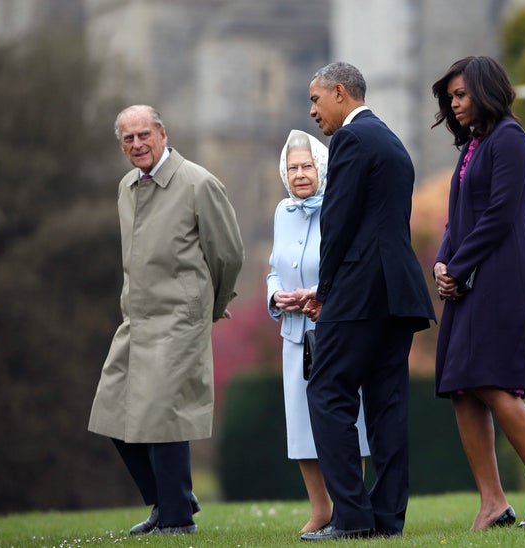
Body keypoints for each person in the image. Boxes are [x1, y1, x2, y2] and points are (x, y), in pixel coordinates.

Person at [88, 105, 244, 535]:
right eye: (128, 139)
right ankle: (171, 499)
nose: (137, 144)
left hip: (180, 318)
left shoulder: (199, 183)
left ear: (161, 133)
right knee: (112, 411)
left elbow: (228, 253)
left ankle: (176, 522)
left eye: (144, 135)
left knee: (165, 415)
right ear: (121, 144)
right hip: (135, 320)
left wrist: (211, 304)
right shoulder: (126, 186)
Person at [299, 62, 435, 541]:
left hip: (359, 292)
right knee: (387, 404)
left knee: (327, 391)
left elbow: (337, 224)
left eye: (316, 100)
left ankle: (352, 518)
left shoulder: (351, 141)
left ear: (340, 93)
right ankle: (387, 520)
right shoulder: (392, 140)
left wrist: (327, 290)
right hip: (398, 294)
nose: (313, 110)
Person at [431, 56, 525, 530]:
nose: (454, 104)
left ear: (486, 91)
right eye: (450, 97)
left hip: (503, 273)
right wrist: (442, 264)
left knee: (490, 379)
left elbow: (499, 214)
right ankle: (493, 503)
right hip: (469, 276)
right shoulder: (473, 145)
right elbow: (458, 218)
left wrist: (460, 266)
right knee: (461, 388)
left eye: (461, 94)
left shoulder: (509, 138)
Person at [266, 129, 370, 533]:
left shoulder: (338, 207)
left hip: (334, 331)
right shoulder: (281, 212)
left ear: (322, 168)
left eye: (307, 165)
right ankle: (320, 510)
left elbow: (348, 266)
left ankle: (352, 506)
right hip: (294, 335)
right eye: (293, 168)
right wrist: (276, 298)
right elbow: (274, 267)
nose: (300, 174)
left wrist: (318, 292)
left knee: (347, 424)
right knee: (301, 429)